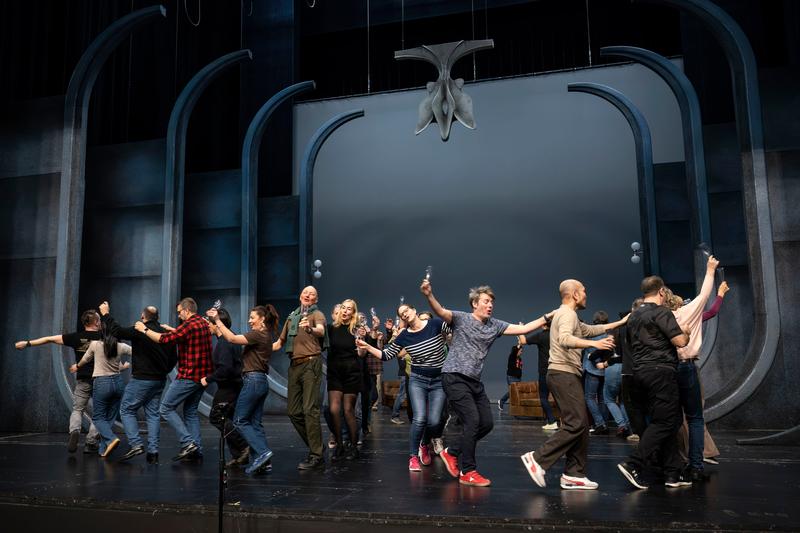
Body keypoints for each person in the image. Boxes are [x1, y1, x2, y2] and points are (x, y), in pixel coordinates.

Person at [421, 279, 552, 487]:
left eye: (492, 302)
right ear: (475, 303)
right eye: (486, 301)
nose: (490, 305)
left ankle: (451, 451)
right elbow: (441, 312)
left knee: (487, 423)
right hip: (454, 376)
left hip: (474, 381)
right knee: (472, 421)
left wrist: (547, 317)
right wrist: (429, 295)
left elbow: (524, 328)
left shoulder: (495, 325)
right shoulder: (462, 318)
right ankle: (468, 471)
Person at [520, 279, 626, 491]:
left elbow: (590, 329)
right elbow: (566, 339)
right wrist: (594, 345)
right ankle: (538, 459)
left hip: (566, 374)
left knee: (582, 424)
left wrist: (620, 323)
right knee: (576, 423)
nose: (586, 294)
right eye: (584, 291)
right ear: (575, 295)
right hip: (562, 374)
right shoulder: (567, 314)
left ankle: (573, 474)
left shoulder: (569, 315)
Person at [357, 302, 451, 472]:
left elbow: (453, 329)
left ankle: (424, 444)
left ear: (414, 310)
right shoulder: (404, 336)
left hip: (438, 380)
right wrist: (368, 346)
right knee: (420, 418)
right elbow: (386, 355)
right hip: (418, 379)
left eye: (406, 311)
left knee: (435, 421)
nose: (405, 314)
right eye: (402, 314)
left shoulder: (435, 324)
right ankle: (413, 456)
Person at [617, 276, 690, 490]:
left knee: (670, 420)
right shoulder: (662, 312)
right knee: (666, 422)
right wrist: (685, 332)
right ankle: (633, 464)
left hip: (640, 373)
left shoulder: (633, 316)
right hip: (661, 371)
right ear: (661, 292)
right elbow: (679, 342)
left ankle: (672, 473)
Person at [135, 297, 212, 462]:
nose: (179, 316)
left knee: (165, 408)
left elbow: (163, 340)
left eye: (179, 313)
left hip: (189, 376)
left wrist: (144, 330)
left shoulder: (189, 325)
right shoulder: (203, 323)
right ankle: (196, 449)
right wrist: (171, 329)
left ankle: (188, 442)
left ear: (186, 310)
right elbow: (184, 335)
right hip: (203, 377)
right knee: (190, 412)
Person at [664, 255, 720, 482]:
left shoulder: (660, 317)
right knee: (695, 418)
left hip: (667, 368)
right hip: (686, 367)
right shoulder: (689, 313)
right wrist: (710, 269)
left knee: (673, 418)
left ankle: (675, 462)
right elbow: (705, 295)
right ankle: (695, 466)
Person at [15, 309, 102, 453]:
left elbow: (49, 339)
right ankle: (91, 442)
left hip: (82, 378)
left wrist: (27, 343)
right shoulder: (103, 336)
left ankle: (74, 430)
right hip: (100, 379)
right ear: (97, 322)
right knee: (99, 412)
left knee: (78, 409)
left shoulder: (75, 337)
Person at [100, 301, 176, 464]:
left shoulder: (140, 329)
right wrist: (163, 371)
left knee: (126, 409)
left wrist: (105, 314)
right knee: (153, 414)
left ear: (143, 317)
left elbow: (116, 331)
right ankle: (153, 452)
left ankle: (135, 444)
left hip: (142, 379)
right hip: (159, 380)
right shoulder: (165, 333)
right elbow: (173, 359)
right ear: (158, 318)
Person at [208, 304, 279, 475]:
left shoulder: (258, 334)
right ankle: (263, 462)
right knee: (254, 423)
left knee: (239, 420)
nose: (249, 320)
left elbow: (231, 339)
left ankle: (262, 453)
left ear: (262, 319)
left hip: (253, 380)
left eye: (253, 317)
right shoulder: (266, 335)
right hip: (260, 381)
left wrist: (217, 320)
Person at [272, 286, 328, 470]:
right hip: (294, 366)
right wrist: (257, 347)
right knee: (294, 411)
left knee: (309, 409)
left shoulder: (316, 314)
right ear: (300, 296)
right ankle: (317, 446)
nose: (308, 295)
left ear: (316, 299)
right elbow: (279, 343)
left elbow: (320, 330)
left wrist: (310, 328)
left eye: (312, 294)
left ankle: (316, 454)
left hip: (311, 363)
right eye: (305, 292)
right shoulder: (292, 317)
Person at [69, 323, 132, 457]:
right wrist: (127, 366)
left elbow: (85, 359)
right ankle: (103, 449)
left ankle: (111, 439)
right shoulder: (121, 346)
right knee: (110, 417)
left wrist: (77, 367)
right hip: (118, 383)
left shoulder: (95, 345)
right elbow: (137, 353)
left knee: (98, 418)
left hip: (102, 383)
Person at [200, 307, 250, 468]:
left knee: (216, 417)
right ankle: (239, 455)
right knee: (226, 419)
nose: (208, 326)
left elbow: (225, 369)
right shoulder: (231, 338)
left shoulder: (225, 343)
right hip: (233, 385)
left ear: (216, 324)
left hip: (229, 387)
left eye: (209, 323)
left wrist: (208, 379)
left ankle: (243, 447)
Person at [327, 299, 368, 461]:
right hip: (335, 373)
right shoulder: (330, 329)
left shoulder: (356, 330)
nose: (345, 311)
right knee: (333, 410)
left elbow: (362, 355)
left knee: (348, 411)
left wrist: (361, 343)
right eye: (343, 308)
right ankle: (339, 444)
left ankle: (353, 445)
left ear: (353, 312)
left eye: (349, 309)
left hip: (351, 373)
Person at [519, 325, 558, 429]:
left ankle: (552, 421)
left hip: (545, 371)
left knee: (543, 397)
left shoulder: (541, 335)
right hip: (558, 370)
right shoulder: (557, 334)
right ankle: (565, 422)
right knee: (559, 397)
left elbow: (522, 340)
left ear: (543, 325)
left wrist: (520, 329)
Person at [582, 311, 610, 435]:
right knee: (602, 399)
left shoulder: (591, 334)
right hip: (604, 370)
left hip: (592, 370)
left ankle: (600, 424)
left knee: (589, 397)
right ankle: (604, 424)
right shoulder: (607, 334)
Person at [498, 342, 523, 412]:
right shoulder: (512, 356)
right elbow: (515, 351)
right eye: (520, 351)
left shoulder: (519, 359)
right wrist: (519, 344)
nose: (521, 352)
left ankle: (516, 407)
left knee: (514, 392)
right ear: (517, 351)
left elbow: (519, 368)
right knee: (512, 391)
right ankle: (501, 401)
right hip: (511, 377)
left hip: (518, 378)